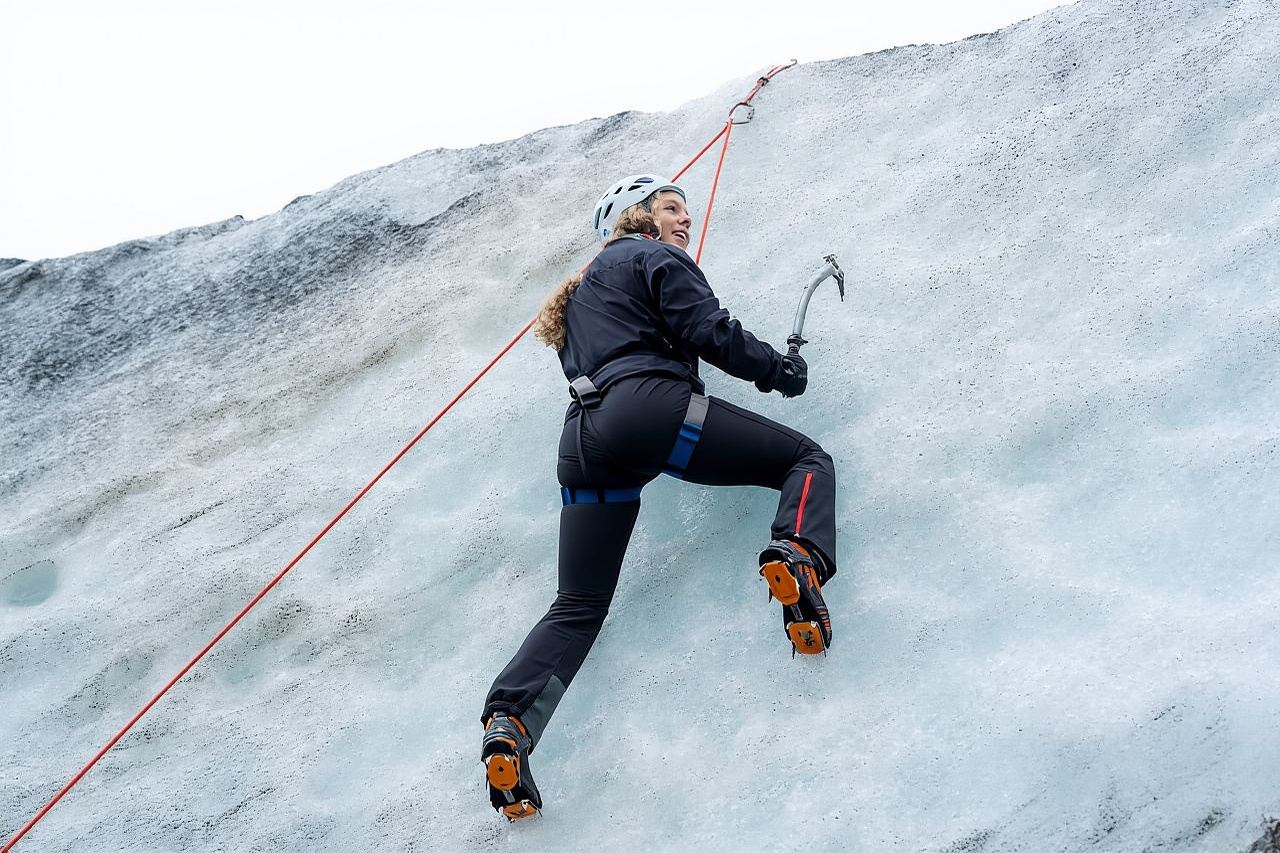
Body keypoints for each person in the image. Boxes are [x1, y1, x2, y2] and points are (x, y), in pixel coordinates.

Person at [479, 174, 838, 821]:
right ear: (636, 218)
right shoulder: (650, 255)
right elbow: (708, 328)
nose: (684, 220)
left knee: (578, 604)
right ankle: (799, 556)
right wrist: (776, 371)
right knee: (805, 460)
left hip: (585, 443)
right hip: (651, 412)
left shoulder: (581, 294)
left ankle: (510, 725)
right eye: (671, 208)